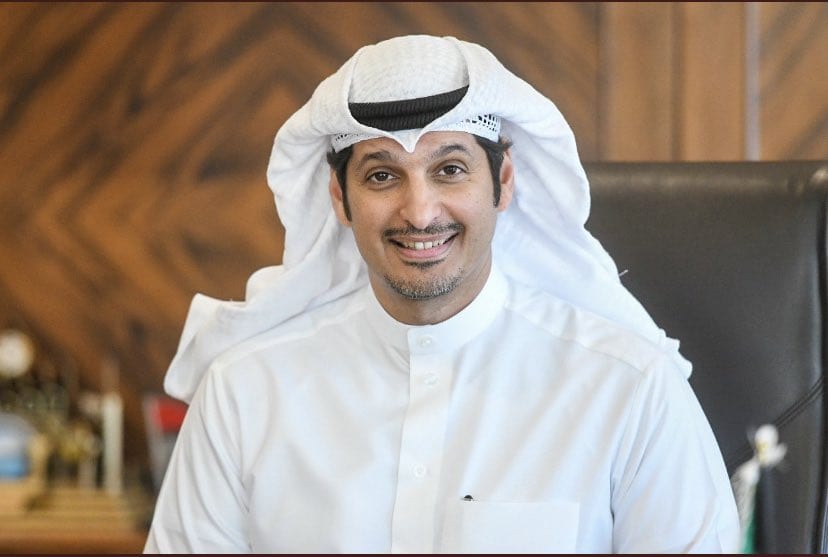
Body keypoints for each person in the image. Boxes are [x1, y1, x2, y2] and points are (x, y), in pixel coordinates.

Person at [144, 35, 740, 553]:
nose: (420, 212)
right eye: (382, 175)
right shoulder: (243, 393)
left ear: (502, 181)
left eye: (450, 169)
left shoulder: (630, 388)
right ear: (340, 197)